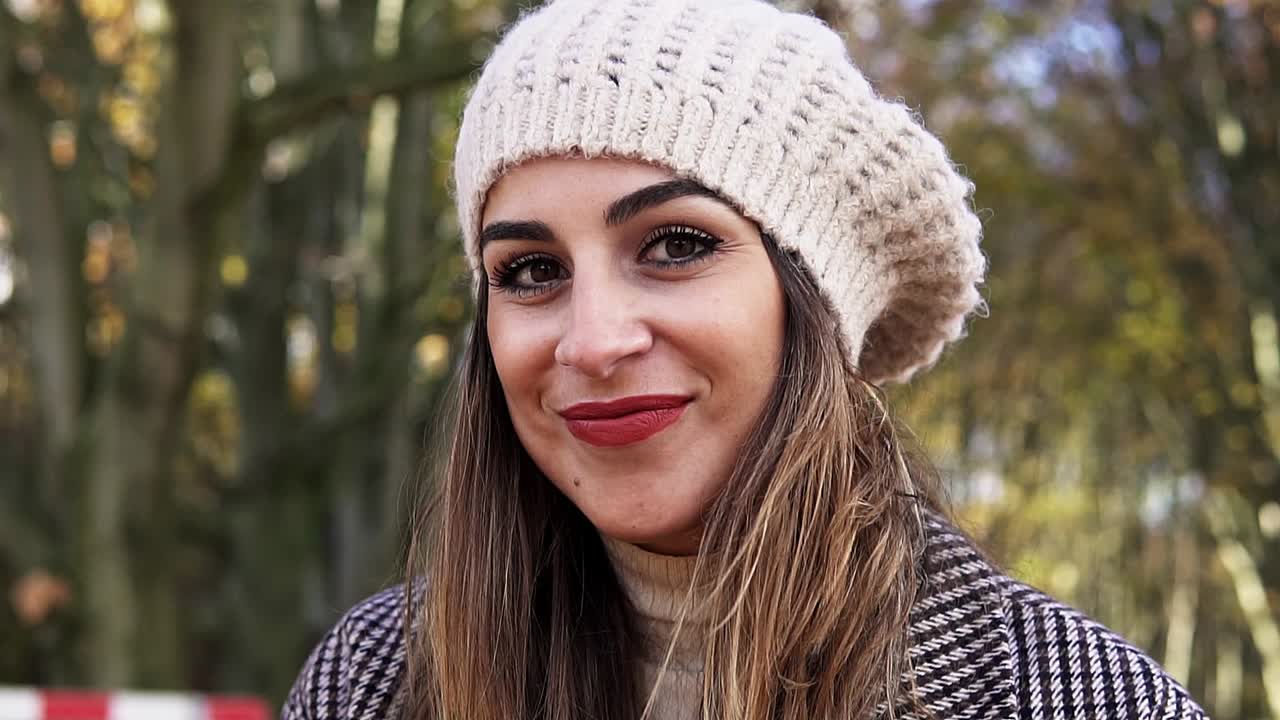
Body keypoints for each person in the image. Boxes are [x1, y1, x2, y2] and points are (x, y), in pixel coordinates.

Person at [282, 0, 1209, 718]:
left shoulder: (1055, 694)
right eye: (528, 269)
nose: (595, 339)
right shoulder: (375, 681)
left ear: (813, 299)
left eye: (677, 245)